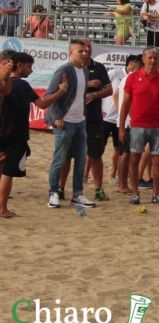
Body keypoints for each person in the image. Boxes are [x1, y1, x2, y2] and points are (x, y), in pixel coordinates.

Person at [2, 51, 65, 217]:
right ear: (19, 65)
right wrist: (61, 91)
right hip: (15, 133)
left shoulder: (6, 84)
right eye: (29, 66)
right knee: (8, 172)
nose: (31, 70)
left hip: (3, 130)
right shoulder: (21, 85)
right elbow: (43, 104)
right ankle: (2, 208)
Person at [118, 47, 159, 205]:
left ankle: (155, 194)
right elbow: (125, 104)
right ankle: (135, 193)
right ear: (143, 59)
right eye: (150, 57)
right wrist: (122, 127)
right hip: (137, 125)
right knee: (134, 159)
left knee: (157, 160)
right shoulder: (133, 78)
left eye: (155, 58)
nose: (152, 61)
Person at [43, 40, 94, 208]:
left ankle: (77, 194)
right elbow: (50, 95)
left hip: (80, 122)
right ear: (70, 53)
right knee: (59, 159)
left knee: (81, 160)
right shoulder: (63, 71)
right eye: (80, 51)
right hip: (65, 122)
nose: (85, 54)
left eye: (86, 51)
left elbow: (81, 94)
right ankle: (53, 193)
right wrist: (58, 116)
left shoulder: (85, 71)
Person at [79, 39, 112, 202]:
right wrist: (89, 84)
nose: (86, 50)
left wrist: (96, 94)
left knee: (96, 155)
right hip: (74, 119)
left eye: (89, 47)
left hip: (93, 119)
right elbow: (61, 90)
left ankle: (99, 189)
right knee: (66, 155)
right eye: (83, 47)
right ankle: (59, 189)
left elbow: (109, 89)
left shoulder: (98, 67)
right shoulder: (69, 67)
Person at [105, 54, 142, 194]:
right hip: (128, 122)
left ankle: (123, 183)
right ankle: (122, 184)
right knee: (126, 153)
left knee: (125, 153)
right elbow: (129, 101)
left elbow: (116, 95)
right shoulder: (131, 78)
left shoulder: (127, 78)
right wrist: (131, 116)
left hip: (125, 120)